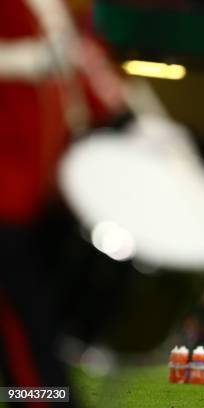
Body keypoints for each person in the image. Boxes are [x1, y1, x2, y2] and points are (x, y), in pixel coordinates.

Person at [0, 0, 124, 404]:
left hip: (35, 211)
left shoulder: (68, 19)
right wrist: (22, 61)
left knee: (35, 356)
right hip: (9, 213)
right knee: (35, 361)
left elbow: (104, 96)